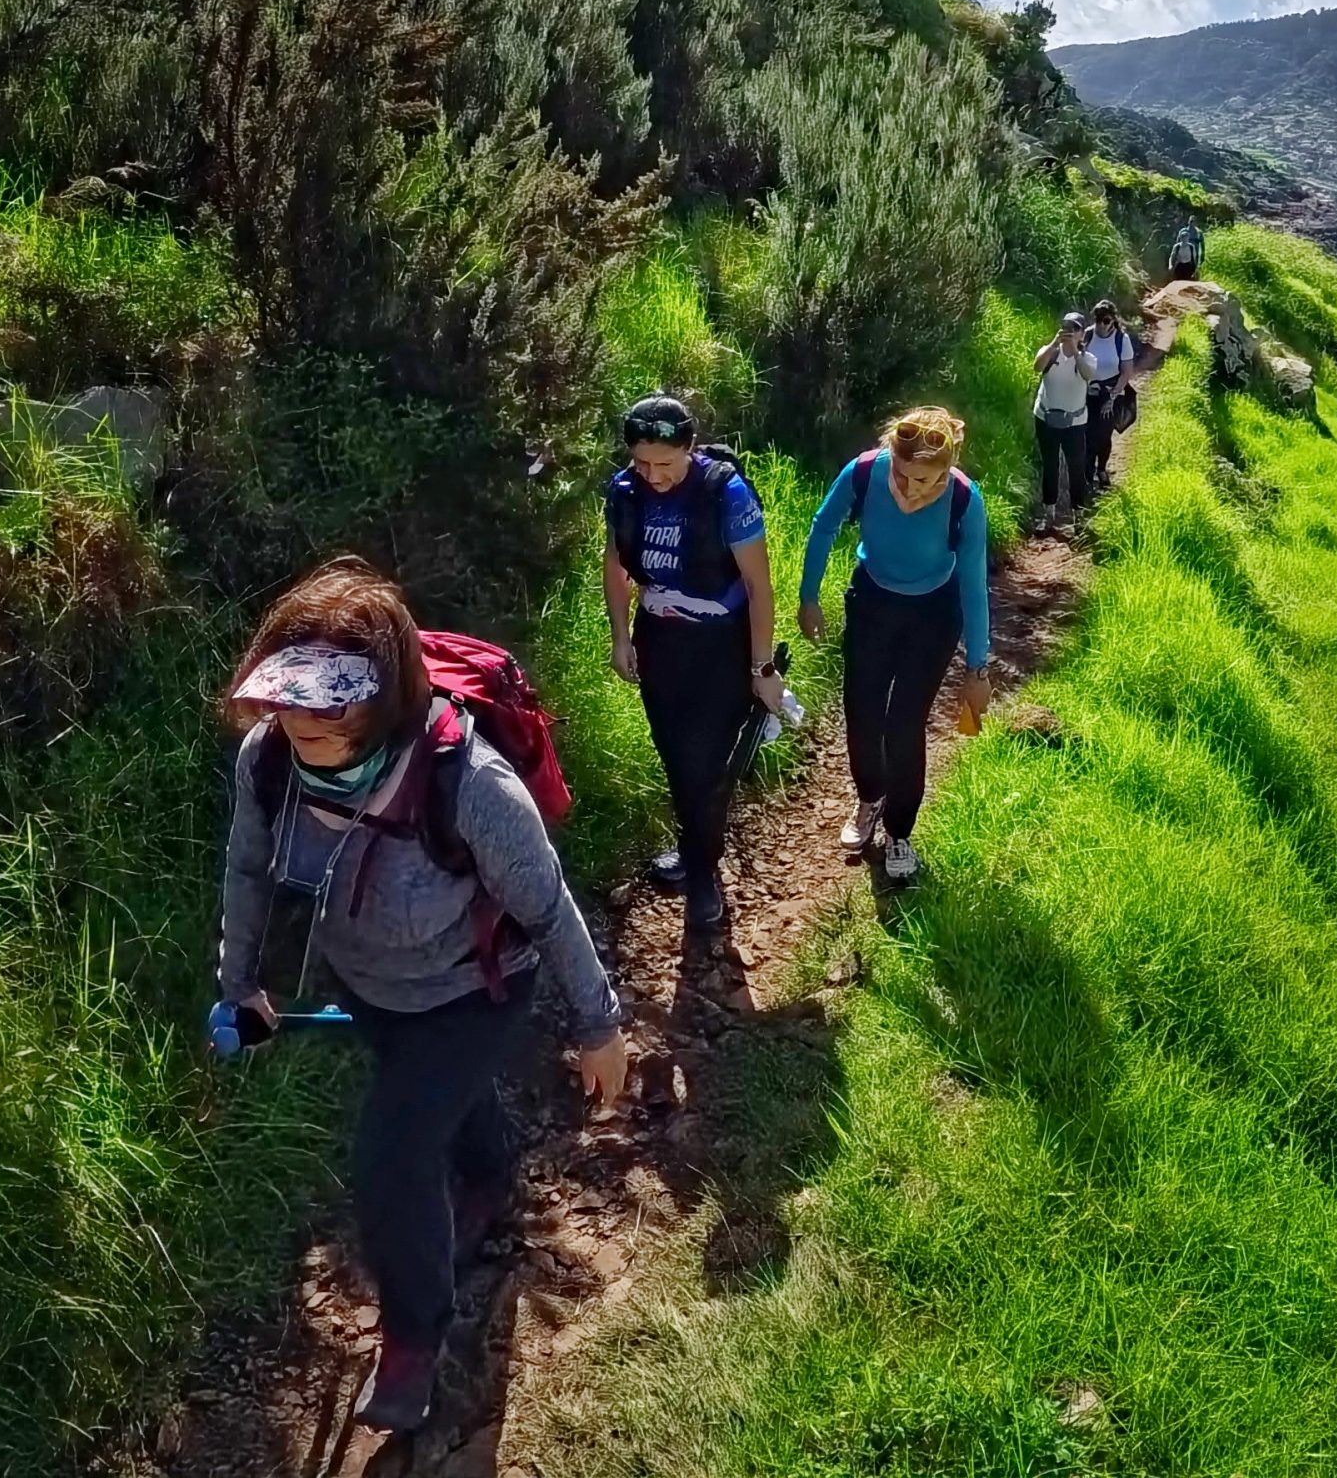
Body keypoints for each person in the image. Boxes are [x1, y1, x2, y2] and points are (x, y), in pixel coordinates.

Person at [216, 559, 630, 1436]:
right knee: (438, 1103)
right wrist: (239, 981)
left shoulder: (468, 784)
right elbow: (248, 871)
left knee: (391, 1155)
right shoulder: (269, 761)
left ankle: (413, 1340)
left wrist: (601, 1028)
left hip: (476, 994)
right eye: (287, 706)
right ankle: (488, 1178)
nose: (298, 728)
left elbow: (549, 910)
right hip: (367, 987)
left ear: (384, 702)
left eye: (326, 712)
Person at [602, 394, 781, 935]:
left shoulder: (724, 493)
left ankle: (703, 875)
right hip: (659, 641)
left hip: (721, 646)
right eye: (642, 462)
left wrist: (762, 667)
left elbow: (758, 585)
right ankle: (692, 848)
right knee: (676, 757)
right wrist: (619, 638)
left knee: (703, 766)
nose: (654, 475)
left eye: (666, 463)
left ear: (691, 449)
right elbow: (616, 567)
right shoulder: (625, 493)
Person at [796, 406, 990, 884]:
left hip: (933, 613)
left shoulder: (966, 499)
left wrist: (977, 669)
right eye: (903, 475)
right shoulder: (865, 471)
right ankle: (869, 799)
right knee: (861, 709)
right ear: (890, 457)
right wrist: (808, 597)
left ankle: (900, 831)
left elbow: (973, 583)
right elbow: (824, 525)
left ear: (947, 470)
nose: (911, 489)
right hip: (873, 602)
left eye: (926, 480)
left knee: (905, 723)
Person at [1032, 312, 1095, 522]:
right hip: (1045, 417)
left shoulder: (1087, 358)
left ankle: (1078, 514)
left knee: (1076, 467)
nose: (1070, 331)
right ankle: (1048, 514)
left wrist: (1076, 353)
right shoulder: (1049, 352)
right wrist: (1053, 344)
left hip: (1075, 422)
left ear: (1082, 335)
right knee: (1050, 465)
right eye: (1067, 326)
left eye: (1075, 328)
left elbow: (1087, 375)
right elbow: (1037, 367)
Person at [1080, 296, 1140, 492]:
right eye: (1098, 320)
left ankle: (1101, 469)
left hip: (1113, 392)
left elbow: (1126, 372)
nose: (1101, 325)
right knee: (1088, 433)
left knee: (1104, 434)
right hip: (1089, 392)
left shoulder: (1121, 341)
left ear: (1113, 320)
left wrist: (1112, 397)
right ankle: (1087, 475)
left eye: (1106, 321)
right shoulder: (1088, 336)